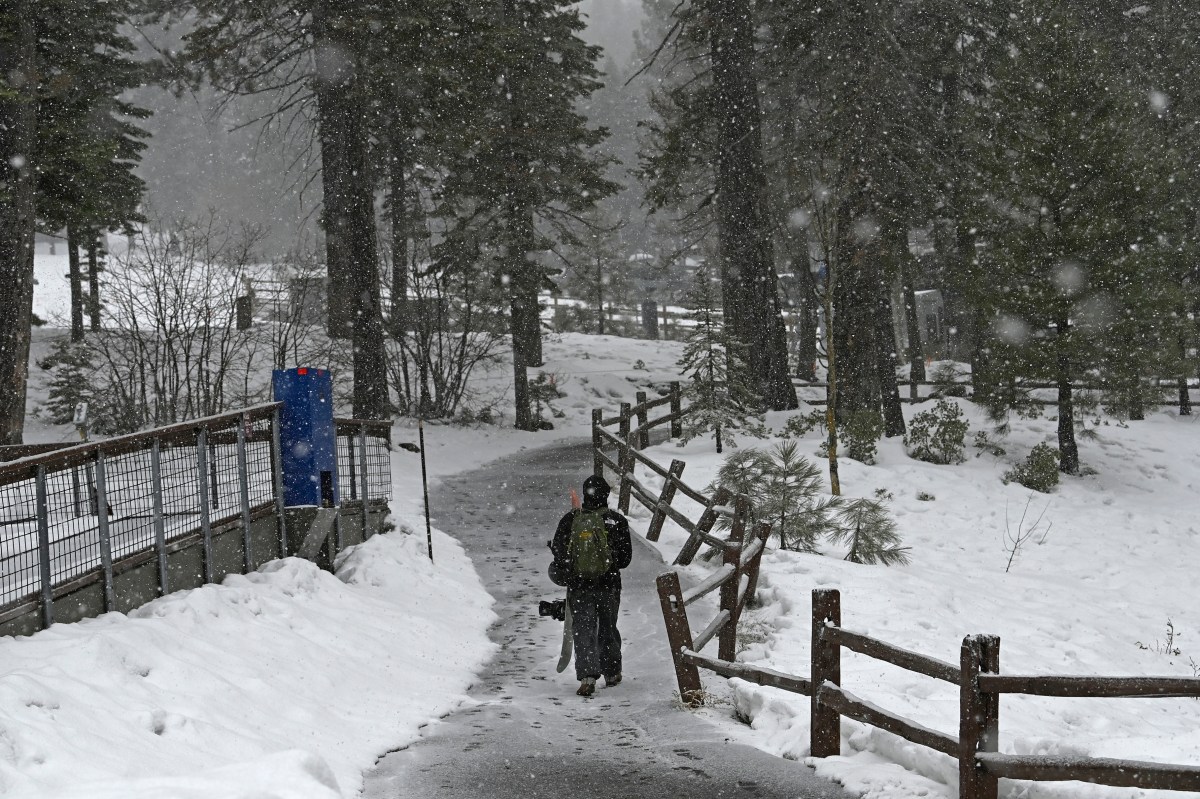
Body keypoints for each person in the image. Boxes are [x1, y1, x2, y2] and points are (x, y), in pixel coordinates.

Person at [550, 474, 632, 697]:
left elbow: (558, 551)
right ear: (606, 495)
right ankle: (612, 672)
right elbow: (625, 559)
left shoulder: (571, 520)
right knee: (608, 627)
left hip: (579, 586)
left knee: (583, 628)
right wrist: (606, 562)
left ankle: (587, 676)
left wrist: (574, 569)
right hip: (609, 584)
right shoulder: (616, 521)